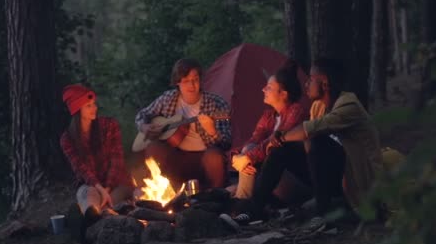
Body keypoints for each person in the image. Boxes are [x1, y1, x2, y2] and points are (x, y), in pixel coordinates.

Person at [235, 58, 383, 224]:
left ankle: (322, 214)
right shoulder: (317, 107)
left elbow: (312, 129)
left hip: (356, 178)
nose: (306, 84)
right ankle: (255, 210)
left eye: (311, 79)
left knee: (315, 140)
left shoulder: (349, 104)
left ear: (324, 82)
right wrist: (280, 140)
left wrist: (282, 136)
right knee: (283, 149)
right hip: (329, 176)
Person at [135, 58, 232, 189]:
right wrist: (144, 126)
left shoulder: (216, 103)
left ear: (200, 80)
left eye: (195, 80)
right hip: (177, 156)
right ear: (178, 82)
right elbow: (142, 115)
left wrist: (213, 132)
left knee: (215, 157)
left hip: (203, 157)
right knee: (154, 148)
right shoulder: (168, 99)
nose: (192, 85)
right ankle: (166, 191)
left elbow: (226, 143)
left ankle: (216, 195)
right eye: (186, 81)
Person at [60, 84, 134, 241]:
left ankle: (89, 226)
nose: (94, 108)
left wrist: (106, 188)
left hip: (117, 183)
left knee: (111, 202)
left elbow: (117, 159)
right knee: (88, 196)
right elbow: (80, 168)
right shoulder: (67, 139)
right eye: (88, 106)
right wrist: (100, 189)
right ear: (77, 110)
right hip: (91, 185)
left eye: (93, 104)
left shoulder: (109, 125)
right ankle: (90, 216)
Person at [230, 61, 308, 199]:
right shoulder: (268, 116)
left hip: (292, 179)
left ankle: (242, 201)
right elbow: (254, 141)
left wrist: (248, 158)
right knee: (248, 149)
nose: (263, 90)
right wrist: (236, 156)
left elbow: (275, 142)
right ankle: (241, 198)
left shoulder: (296, 111)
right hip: (269, 178)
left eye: (269, 87)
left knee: (251, 157)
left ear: (283, 94)